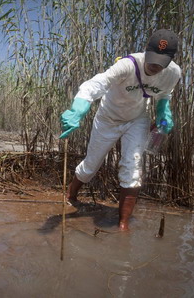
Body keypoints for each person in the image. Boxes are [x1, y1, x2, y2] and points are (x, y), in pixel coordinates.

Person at [59, 29, 181, 231]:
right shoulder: (128, 65)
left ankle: (123, 225)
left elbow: (165, 94)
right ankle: (70, 196)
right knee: (91, 165)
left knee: (133, 168)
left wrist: (163, 112)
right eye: (152, 59)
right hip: (108, 118)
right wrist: (78, 108)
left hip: (137, 119)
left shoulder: (173, 73)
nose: (155, 66)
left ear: (170, 60)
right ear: (146, 51)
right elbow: (97, 83)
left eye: (162, 62)